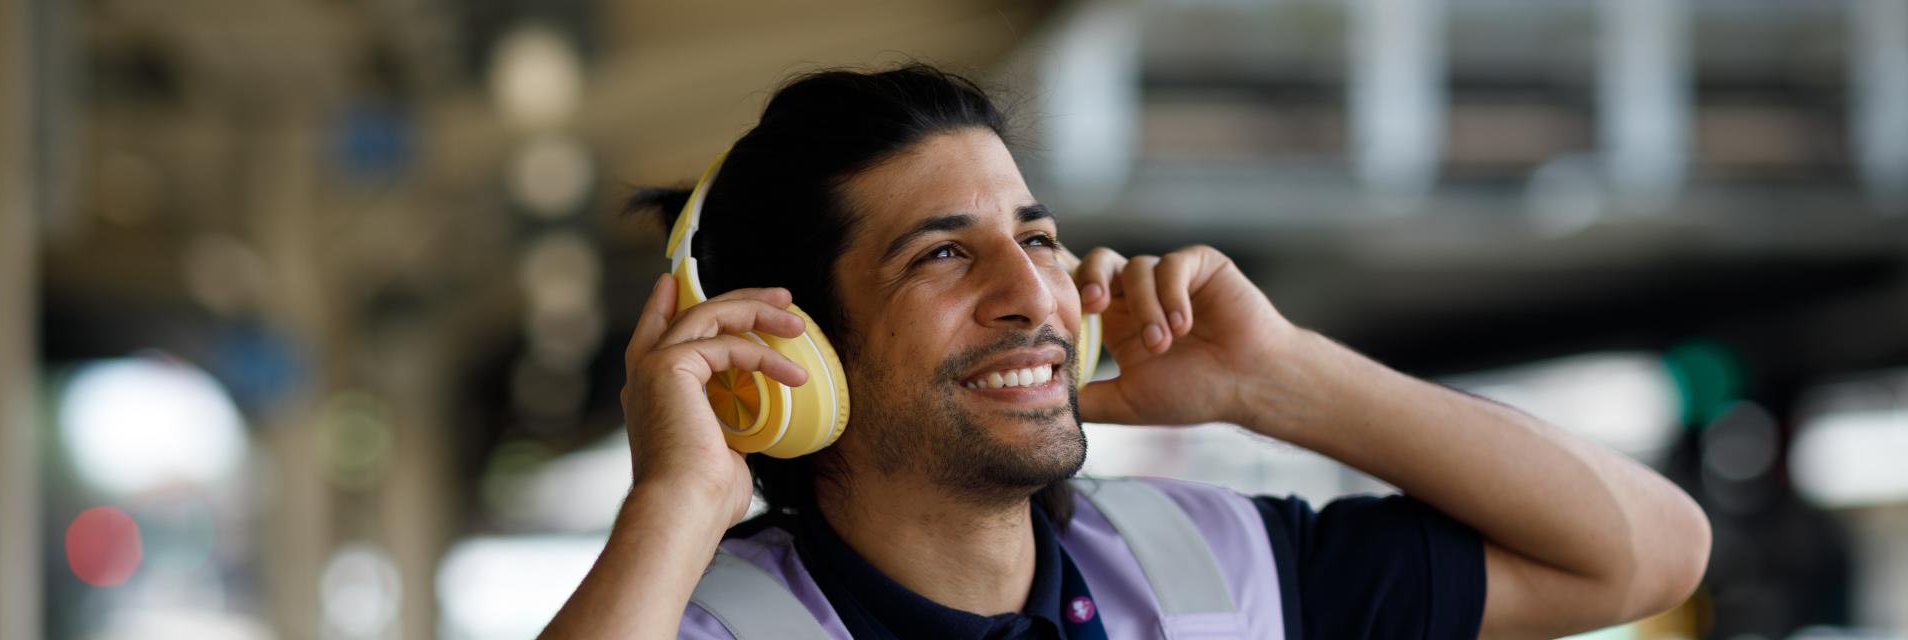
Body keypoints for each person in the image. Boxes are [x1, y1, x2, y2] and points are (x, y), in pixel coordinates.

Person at [541, 64, 1711, 639]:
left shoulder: (1212, 567)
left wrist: (1280, 380)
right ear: (789, 350)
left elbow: (1648, 554)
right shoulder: (711, 622)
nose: (1032, 294)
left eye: (1037, 237)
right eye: (943, 255)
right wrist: (678, 500)